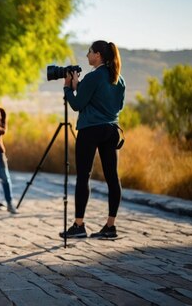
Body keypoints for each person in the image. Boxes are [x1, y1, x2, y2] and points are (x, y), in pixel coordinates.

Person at [59, 40, 125, 239]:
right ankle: (110, 226)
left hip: (90, 130)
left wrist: (68, 88)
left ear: (97, 55)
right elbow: (117, 106)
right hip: (111, 130)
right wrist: (80, 85)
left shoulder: (94, 76)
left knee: (83, 176)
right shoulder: (119, 79)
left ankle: (79, 225)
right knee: (112, 177)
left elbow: (78, 104)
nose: (87, 55)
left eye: (89, 52)